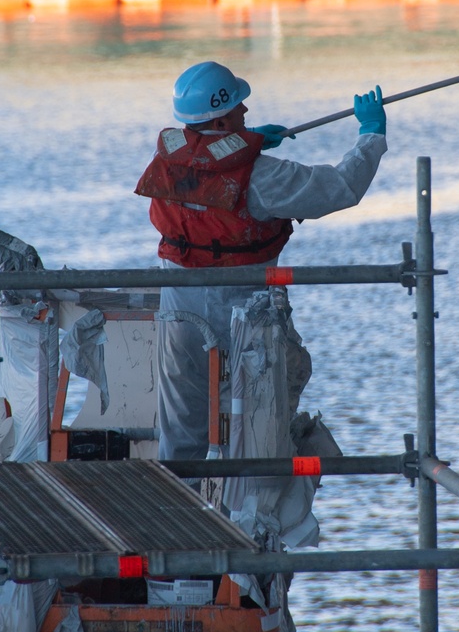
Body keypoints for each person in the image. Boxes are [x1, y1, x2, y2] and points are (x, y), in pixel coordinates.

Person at [135, 60, 388, 459]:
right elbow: (341, 187)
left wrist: (248, 139)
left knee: (182, 421)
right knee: (253, 419)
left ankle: (178, 500)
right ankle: (246, 505)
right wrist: (371, 134)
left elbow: (208, 161)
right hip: (239, 310)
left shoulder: (168, 161)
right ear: (220, 123)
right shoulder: (262, 178)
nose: (246, 112)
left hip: (178, 309)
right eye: (238, 108)